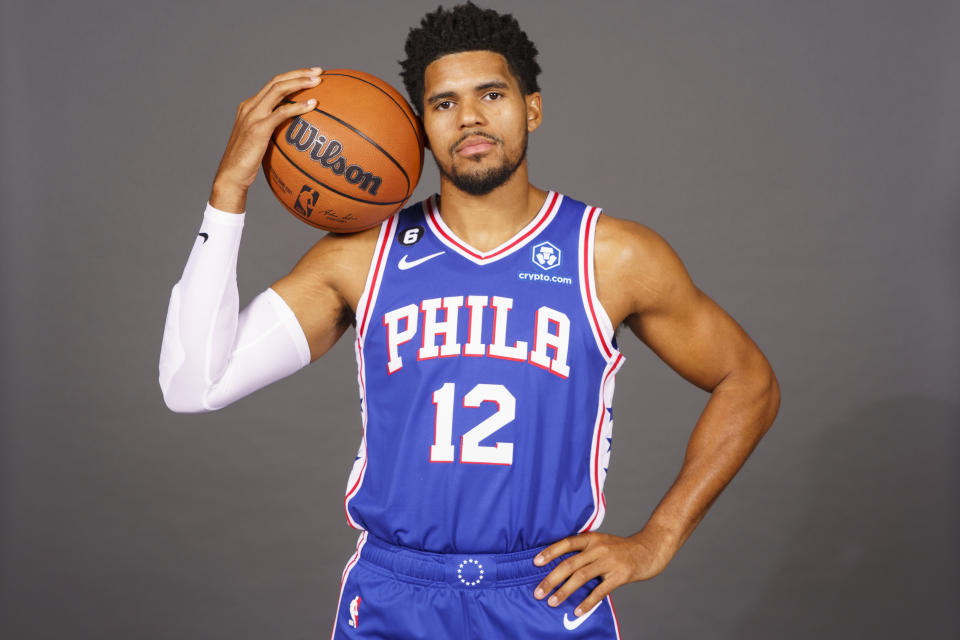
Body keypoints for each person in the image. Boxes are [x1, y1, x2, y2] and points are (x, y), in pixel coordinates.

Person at [159, 3, 780, 638]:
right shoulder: (359, 259)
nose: (471, 118)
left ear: (531, 108)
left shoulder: (611, 256)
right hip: (395, 596)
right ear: (422, 127)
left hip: (544, 592)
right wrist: (230, 189)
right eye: (445, 103)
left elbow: (748, 382)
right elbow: (192, 386)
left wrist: (658, 539)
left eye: (492, 94)